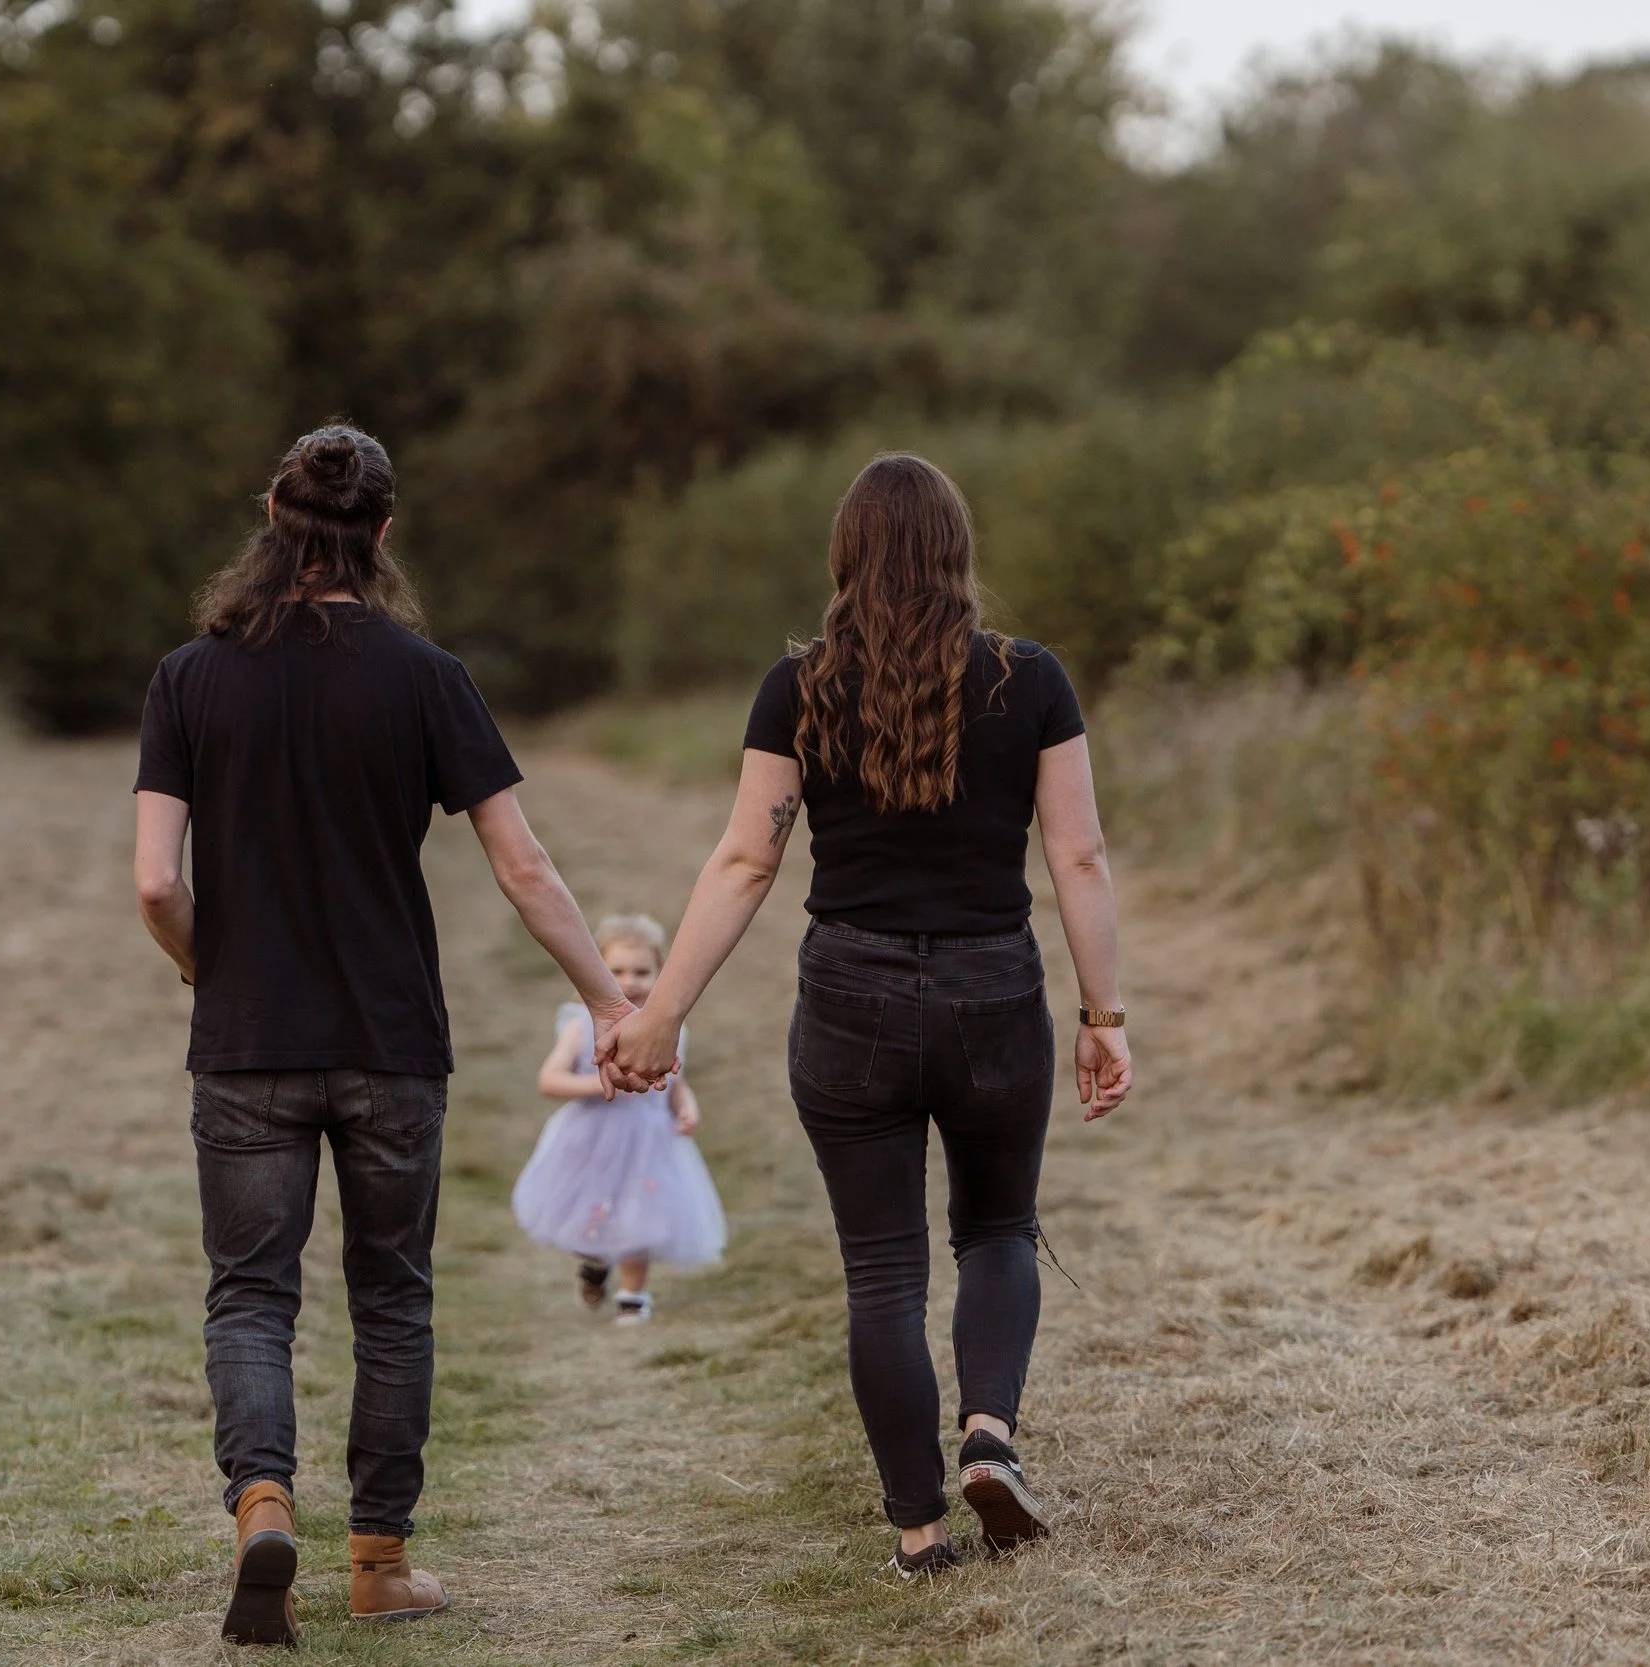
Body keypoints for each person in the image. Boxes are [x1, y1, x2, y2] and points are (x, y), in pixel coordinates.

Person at [132, 425, 635, 1648]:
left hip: (247, 1038)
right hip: (390, 1042)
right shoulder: (425, 676)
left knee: (251, 1294)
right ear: (384, 532)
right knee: (391, 1299)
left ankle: (262, 1502)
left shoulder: (189, 677)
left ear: (272, 513)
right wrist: (618, 1006)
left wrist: (216, 970)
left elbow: (154, 881)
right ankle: (377, 1559)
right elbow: (521, 866)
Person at [600, 452, 1134, 1577]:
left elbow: (747, 857)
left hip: (849, 995)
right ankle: (989, 1431)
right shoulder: (1028, 679)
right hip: (993, 987)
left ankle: (919, 1528)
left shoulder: (796, 688)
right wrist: (1104, 1011)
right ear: (957, 553)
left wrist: (660, 1019)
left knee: (882, 1270)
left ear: (845, 555)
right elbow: (1076, 853)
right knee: (996, 1227)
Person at [513, 914, 726, 1324]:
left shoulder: (671, 1029)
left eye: (642, 971)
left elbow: (676, 1082)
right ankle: (594, 1261)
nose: (629, 981)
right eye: (617, 971)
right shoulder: (580, 1024)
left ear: (661, 973)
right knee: (593, 1213)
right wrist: (601, 1084)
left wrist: (686, 1106)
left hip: (649, 1139)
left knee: (641, 1211)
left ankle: (633, 1296)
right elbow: (549, 1079)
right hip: (592, 1137)